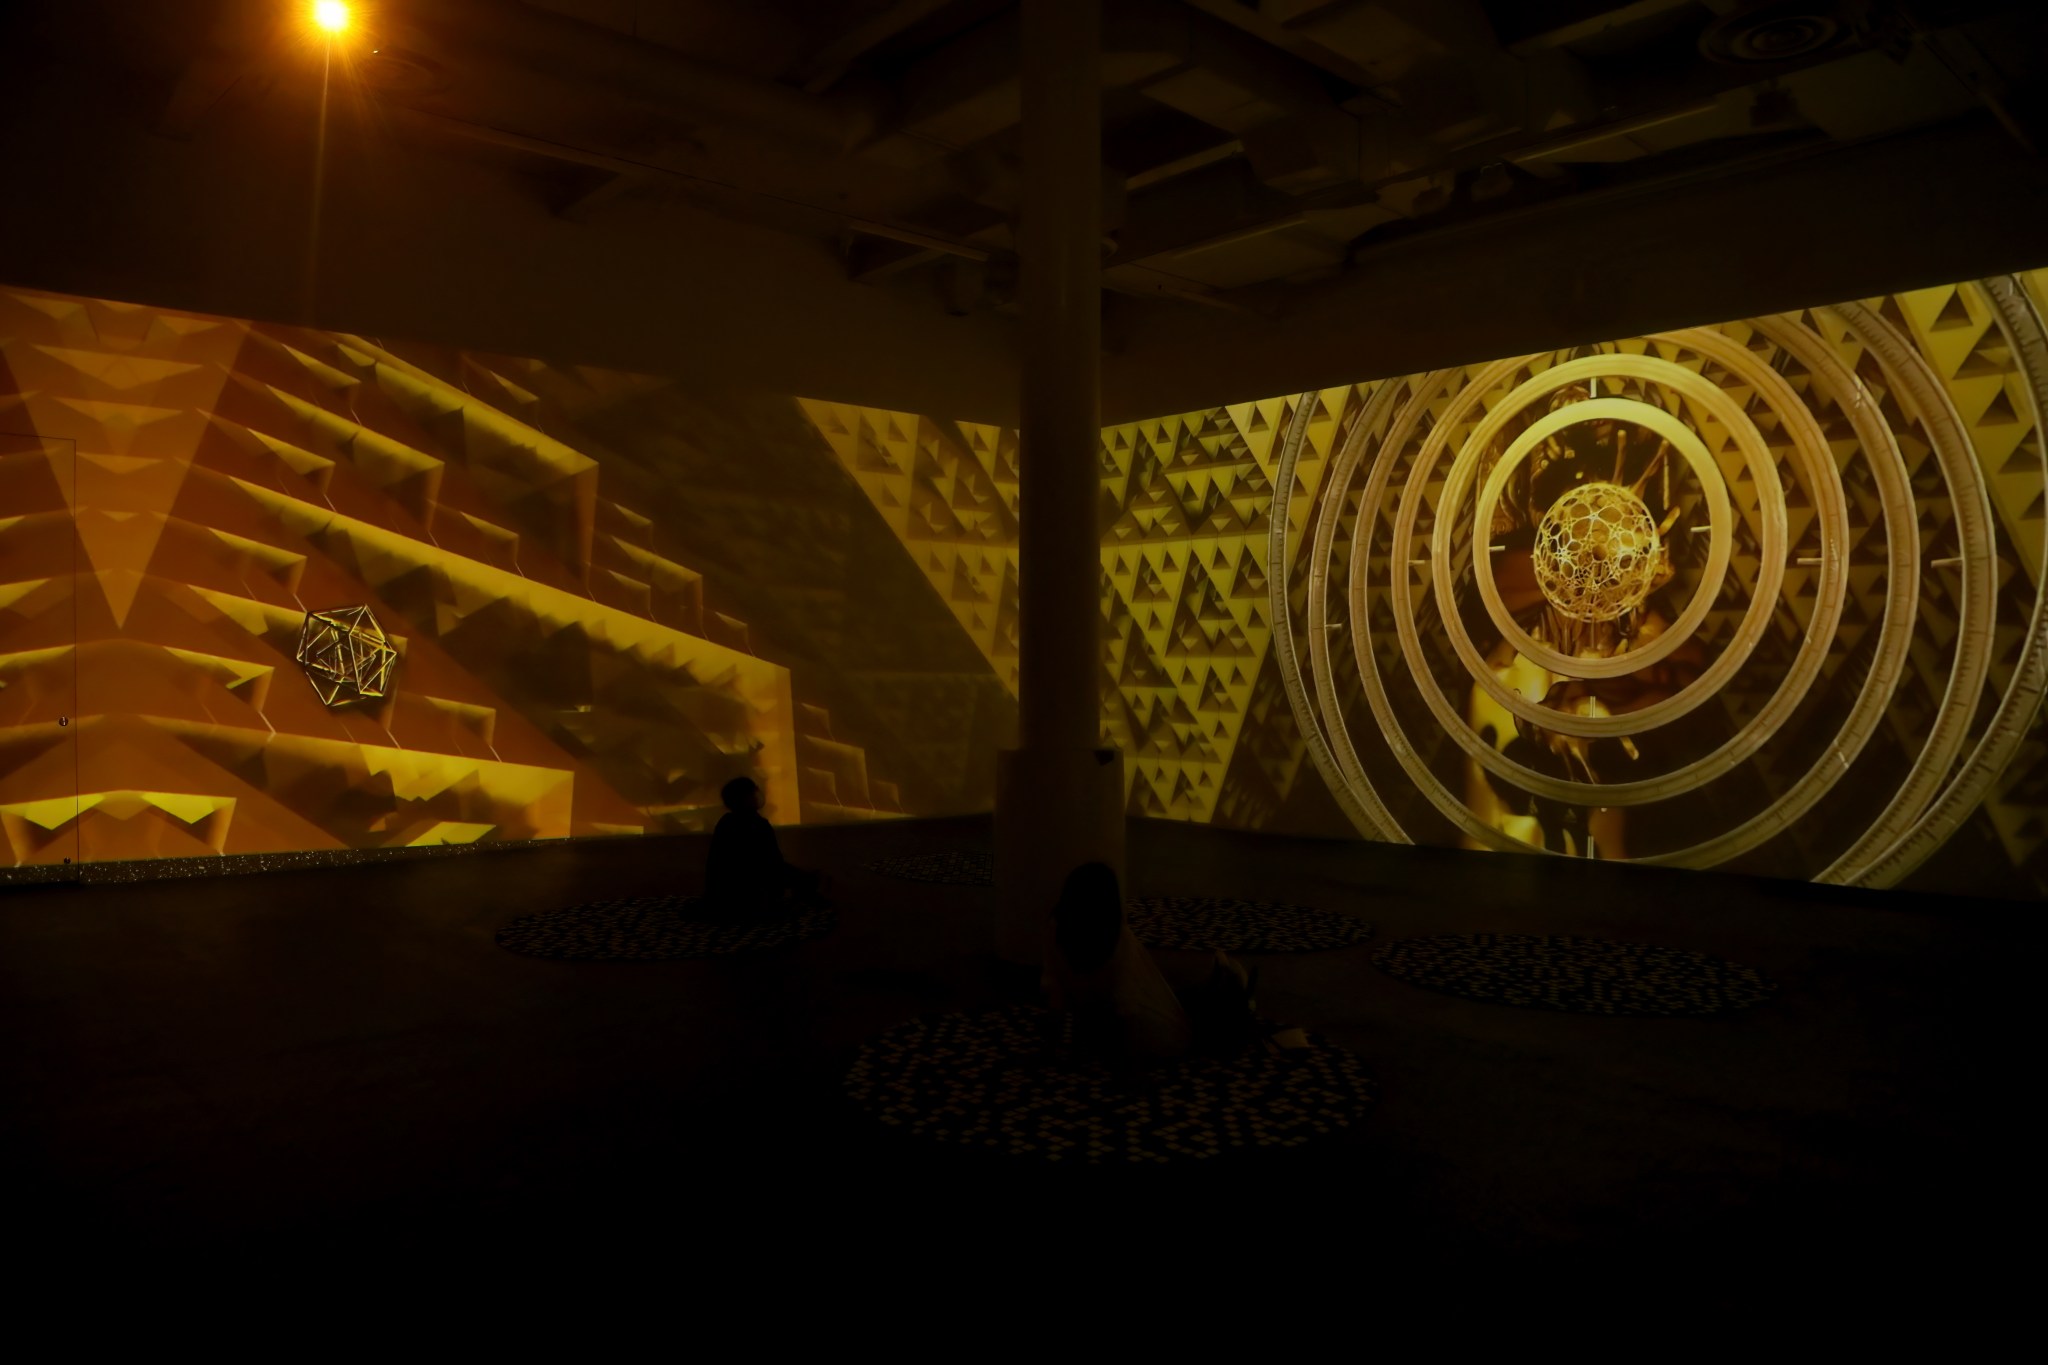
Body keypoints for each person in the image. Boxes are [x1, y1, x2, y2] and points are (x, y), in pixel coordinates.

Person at [1039, 862, 1260, 1070]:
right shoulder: (1115, 940)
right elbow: (1130, 1011)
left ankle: (1230, 994)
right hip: (1148, 1033)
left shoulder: (1060, 930)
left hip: (1112, 1029)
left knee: (1192, 999)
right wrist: (1131, 1070)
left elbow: (1058, 995)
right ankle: (1233, 999)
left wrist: (1053, 1048)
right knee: (1197, 1009)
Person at [701, 776, 823, 918]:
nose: (757, 796)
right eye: (752, 793)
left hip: (721, 899)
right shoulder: (758, 825)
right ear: (746, 798)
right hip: (752, 901)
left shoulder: (725, 822)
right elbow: (771, 865)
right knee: (803, 879)